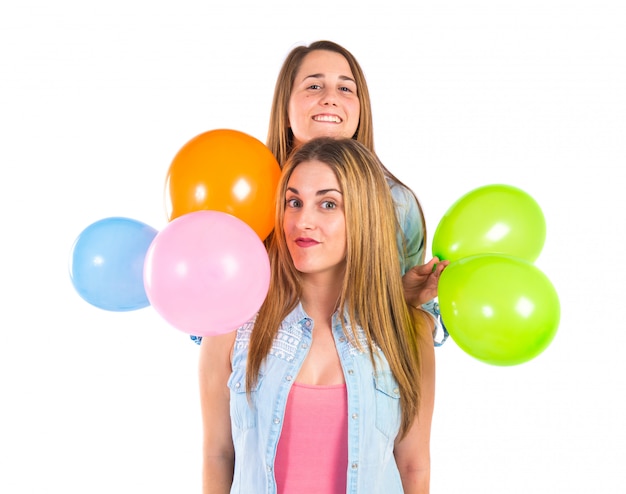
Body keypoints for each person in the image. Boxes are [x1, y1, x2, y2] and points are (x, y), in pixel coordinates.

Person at [199, 137, 436, 493]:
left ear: (363, 216)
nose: (303, 221)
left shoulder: (406, 329)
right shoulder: (234, 319)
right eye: (293, 202)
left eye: (328, 204)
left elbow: (414, 466)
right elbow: (218, 454)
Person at [265, 40, 448, 342]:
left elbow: (413, 329)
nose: (330, 99)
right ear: (285, 110)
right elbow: (213, 316)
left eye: (346, 89)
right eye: (313, 87)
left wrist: (402, 299)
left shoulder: (397, 204)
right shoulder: (251, 194)